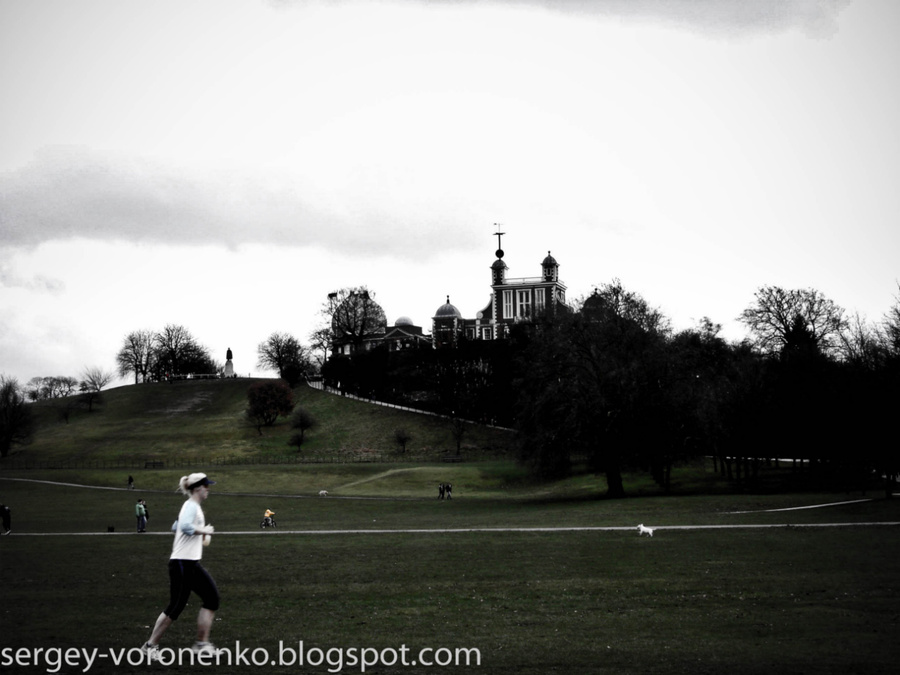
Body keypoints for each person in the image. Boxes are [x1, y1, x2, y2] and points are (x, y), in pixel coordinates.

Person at [140, 473, 220, 661]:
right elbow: (183, 526)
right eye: (206, 486)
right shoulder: (191, 505)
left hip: (189, 563)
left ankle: (201, 644)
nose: (208, 489)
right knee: (176, 606)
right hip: (182, 563)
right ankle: (150, 646)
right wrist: (204, 530)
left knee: (211, 599)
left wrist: (198, 533)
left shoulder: (191, 507)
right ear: (197, 488)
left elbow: (175, 526)